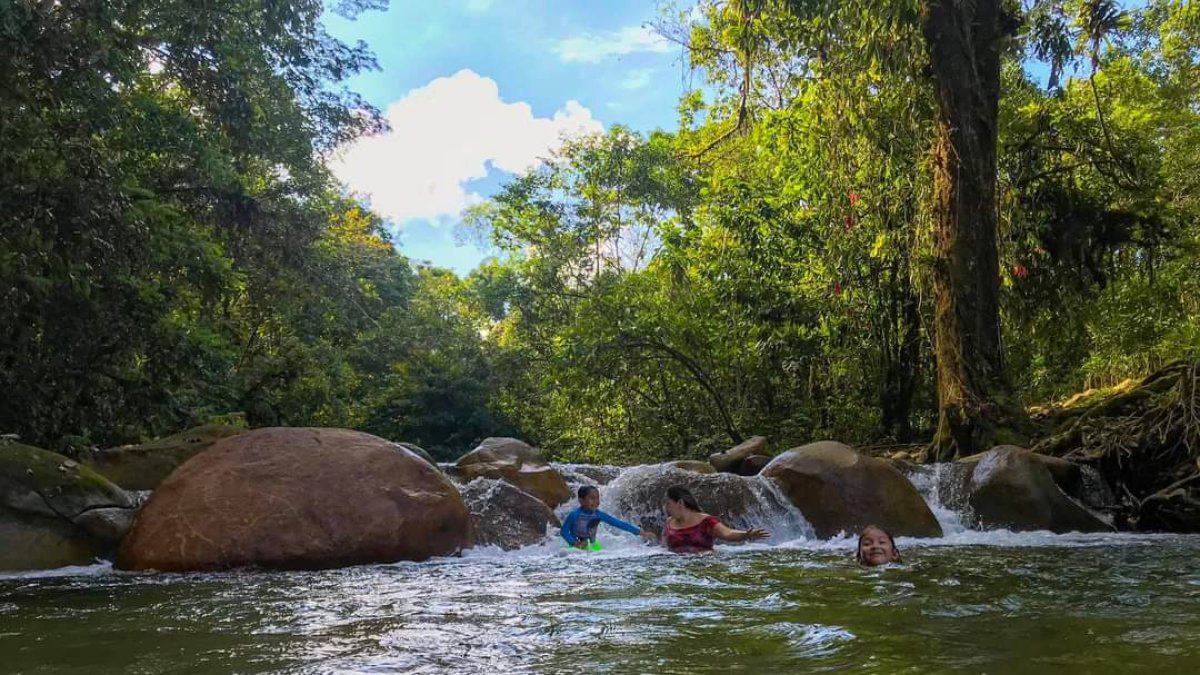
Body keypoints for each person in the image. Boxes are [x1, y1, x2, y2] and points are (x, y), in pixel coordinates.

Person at [662, 485, 769, 554]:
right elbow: (664, 547)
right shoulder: (669, 522)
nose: (666, 508)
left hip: (704, 565)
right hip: (676, 567)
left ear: (680, 503)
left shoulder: (706, 521)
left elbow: (728, 533)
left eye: (668, 504)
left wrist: (746, 535)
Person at [561, 485, 656, 549]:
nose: (596, 501)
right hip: (574, 545)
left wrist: (641, 532)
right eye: (592, 498)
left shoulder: (598, 514)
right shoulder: (574, 515)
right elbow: (564, 531)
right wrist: (574, 543)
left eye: (597, 498)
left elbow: (619, 523)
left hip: (592, 544)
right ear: (581, 501)